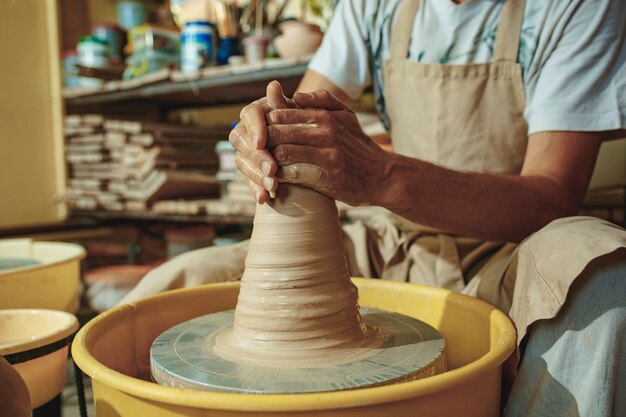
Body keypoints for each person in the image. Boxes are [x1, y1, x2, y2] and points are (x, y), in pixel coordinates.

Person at [122, 0, 626, 415]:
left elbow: (553, 194)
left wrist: (382, 176)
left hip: (509, 254)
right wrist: (272, 136)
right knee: (180, 280)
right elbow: (301, 114)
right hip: (394, 240)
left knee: (605, 278)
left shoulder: (575, 6)